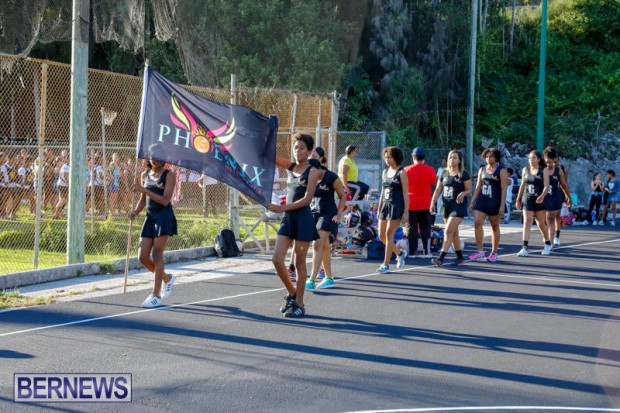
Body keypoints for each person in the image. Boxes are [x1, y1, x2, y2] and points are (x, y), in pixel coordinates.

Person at [267, 132, 319, 318]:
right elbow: (271, 157)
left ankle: (300, 304)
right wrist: (266, 135)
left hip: (303, 219)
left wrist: (282, 208)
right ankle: (292, 292)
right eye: (295, 147)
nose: (298, 151)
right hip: (288, 219)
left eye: (302, 148)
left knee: (299, 262)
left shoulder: (312, 171)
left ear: (309, 151)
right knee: (276, 259)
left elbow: (307, 199)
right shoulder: (291, 167)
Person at [128, 150, 178, 308]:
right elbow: (143, 200)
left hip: (163, 217)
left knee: (157, 255)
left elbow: (165, 200)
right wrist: (135, 212)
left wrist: (145, 190)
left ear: (164, 159)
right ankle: (166, 278)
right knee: (142, 257)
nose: (155, 160)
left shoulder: (169, 175)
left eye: (159, 157)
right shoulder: (145, 175)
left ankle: (156, 295)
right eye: (152, 157)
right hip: (150, 218)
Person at [306, 147, 346, 290]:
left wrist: (340, 213)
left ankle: (311, 279)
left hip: (328, 215)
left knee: (317, 244)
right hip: (314, 214)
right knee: (324, 247)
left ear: (319, 167)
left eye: (313, 172)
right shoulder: (308, 177)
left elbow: (342, 195)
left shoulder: (331, 177)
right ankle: (329, 278)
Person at [430, 150, 472, 267]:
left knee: (448, 231)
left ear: (459, 160)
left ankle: (440, 258)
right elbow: (438, 189)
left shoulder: (463, 174)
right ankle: (460, 257)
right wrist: (432, 202)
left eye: (454, 158)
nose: (452, 160)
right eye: (450, 157)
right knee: (454, 233)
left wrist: (463, 193)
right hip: (446, 206)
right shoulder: (444, 173)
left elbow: (469, 190)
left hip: (458, 206)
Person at [468, 148, 509, 262]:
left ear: (496, 158)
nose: (488, 158)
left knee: (494, 226)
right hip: (482, 200)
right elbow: (478, 187)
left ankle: (494, 252)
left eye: (491, 156)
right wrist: (472, 202)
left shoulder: (501, 171)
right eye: (486, 156)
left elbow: (504, 189)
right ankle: (480, 251)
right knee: (477, 223)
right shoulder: (482, 169)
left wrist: (502, 206)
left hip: (494, 201)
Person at [376, 146, 409, 273]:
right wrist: (379, 207)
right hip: (385, 205)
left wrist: (406, 211)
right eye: (386, 157)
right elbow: (383, 191)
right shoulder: (384, 172)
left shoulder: (401, 172)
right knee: (381, 235)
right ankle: (400, 253)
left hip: (396, 206)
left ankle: (385, 264)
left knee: (389, 234)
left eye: (390, 157)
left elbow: (405, 193)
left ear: (396, 158)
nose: (387, 160)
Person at [515, 150, 552, 257]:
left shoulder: (543, 170)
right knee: (527, 221)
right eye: (530, 158)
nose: (531, 160)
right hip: (527, 199)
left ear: (539, 159)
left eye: (533, 158)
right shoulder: (525, 170)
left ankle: (547, 243)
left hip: (539, 199)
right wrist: (518, 199)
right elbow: (522, 185)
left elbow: (546, 186)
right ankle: (524, 247)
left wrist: (542, 196)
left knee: (540, 223)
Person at [404, 147, 436, 258]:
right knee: (426, 227)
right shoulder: (430, 169)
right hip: (426, 202)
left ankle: (412, 252)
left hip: (411, 203)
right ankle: (427, 252)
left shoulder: (406, 170)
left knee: (411, 228)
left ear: (413, 157)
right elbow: (433, 182)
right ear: (424, 157)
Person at [543, 147, 570, 246]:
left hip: (558, 193)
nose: (555, 163)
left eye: (556, 162)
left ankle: (556, 237)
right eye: (553, 161)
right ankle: (548, 236)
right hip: (546, 194)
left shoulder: (562, 169)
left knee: (557, 216)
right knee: (546, 217)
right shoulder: (544, 168)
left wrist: (567, 196)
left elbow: (564, 184)